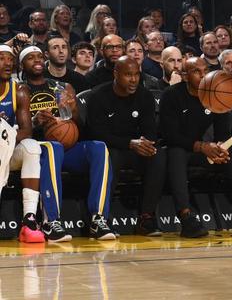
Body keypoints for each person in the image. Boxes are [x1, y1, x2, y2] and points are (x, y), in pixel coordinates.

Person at [161, 57, 232, 237]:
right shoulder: (171, 95)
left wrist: (220, 148)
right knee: (176, 153)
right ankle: (186, 217)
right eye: (196, 72)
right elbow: (169, 136)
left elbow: (222, 133)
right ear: (185, 76)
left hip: (203, 150)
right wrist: (201, 146)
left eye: (205, 71)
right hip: (181, 148)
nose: (203, 75)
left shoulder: (215, 94)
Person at [20, 46, 114, 242]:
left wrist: (73, 110)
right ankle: (51, 221)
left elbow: (80, 125)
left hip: (67, 147)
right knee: (53, 147)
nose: (36, 60)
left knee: (99, 147)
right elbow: (19, 128)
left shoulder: (62, 87)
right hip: (38, 148)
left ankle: (98, 219)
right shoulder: (20, 90)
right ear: (22, 65)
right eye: (30, 58)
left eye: (39, 56)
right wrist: (35, 121)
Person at [86, 56, 167, 236]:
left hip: (135, 149)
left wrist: (147, 143)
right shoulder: (98, 96)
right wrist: (129, 143)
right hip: (111, 148)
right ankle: (103, 218)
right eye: (128, 75)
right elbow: (96, 134)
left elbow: (150, 130)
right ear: (116, 74)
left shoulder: (144, 95)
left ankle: (146, 217)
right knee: (110, 156)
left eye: (136, 74)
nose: (133, 79)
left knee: (157, 155)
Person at [0, 45, 44, 243]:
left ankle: (29, 220)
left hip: (8, 151)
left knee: (32, 147)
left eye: (10, 59)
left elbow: (26, 131)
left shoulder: (19, 90)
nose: (7, 63)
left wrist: (4, 135)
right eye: (1, 58)